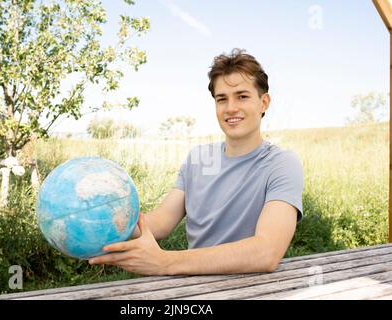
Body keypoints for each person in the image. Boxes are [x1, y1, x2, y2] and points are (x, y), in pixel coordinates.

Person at [88, 48, 304, 275]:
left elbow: (266, 252)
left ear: (264, 102)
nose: (231, 108)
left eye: (242, 96)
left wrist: (165, 262)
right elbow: (160, 222)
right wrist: (104, 222)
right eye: (222, 99)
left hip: (250, 288)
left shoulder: (282, 164)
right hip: (193, 287)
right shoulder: (199, 158)